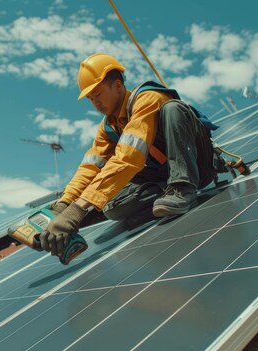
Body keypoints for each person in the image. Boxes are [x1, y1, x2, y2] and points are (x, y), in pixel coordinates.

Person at [40, 53, 217, 257]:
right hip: (161, 176)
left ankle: (182, 188)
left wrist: (76, 211)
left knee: (173, 109)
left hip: (198, 166)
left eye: (97, 94)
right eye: (90, 98)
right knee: (111, 208)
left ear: (117, 86)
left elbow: (128, 157)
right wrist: (65, 203)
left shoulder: (147, 98)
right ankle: (166, 196)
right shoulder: (108, 127)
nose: (95, 103)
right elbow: (90, 167)